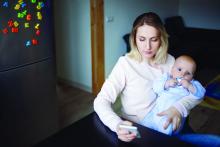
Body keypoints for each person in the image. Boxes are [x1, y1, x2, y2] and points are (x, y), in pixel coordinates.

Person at [93, 12, 220, 146]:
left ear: (161, 39)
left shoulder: (171, 61)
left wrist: (178, 108)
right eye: (142, 39)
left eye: (153, 39)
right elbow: (101, 101)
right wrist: (117, 124)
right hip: (141, 132)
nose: (147, 47)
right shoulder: (125, 64)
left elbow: (197, 93)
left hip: (173, 128)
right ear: (134, 39)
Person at [140, 55, 205, 135]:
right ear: (172, 69)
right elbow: (155, 87)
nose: (182, 74)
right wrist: (166, 84)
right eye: (179, 69)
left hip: (170, 117)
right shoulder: (166, 77)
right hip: (155, 112)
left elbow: (201, 94)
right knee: (143, 127)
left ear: (192, 77)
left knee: (165, 132)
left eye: (188, 73)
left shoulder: (193, 84)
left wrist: (189, 86)